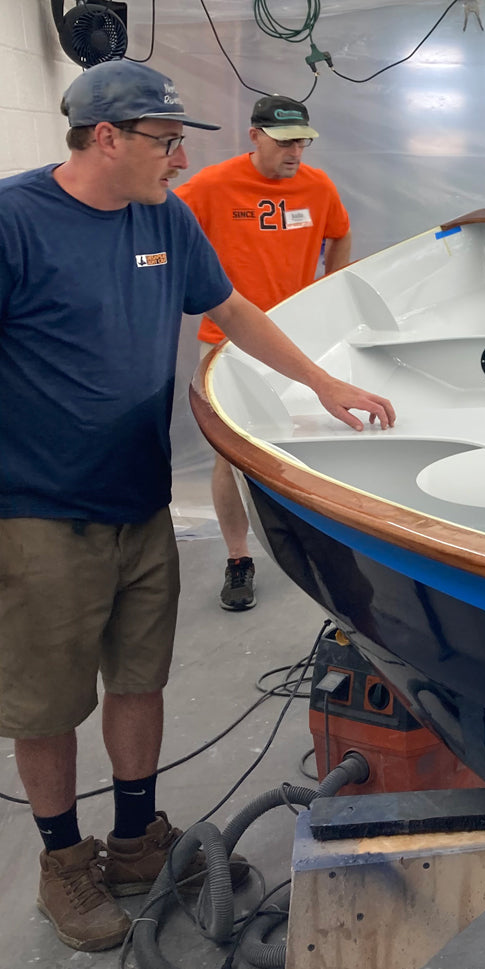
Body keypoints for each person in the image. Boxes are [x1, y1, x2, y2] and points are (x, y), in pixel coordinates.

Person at [0, 60, 396, 954]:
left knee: (140, 677)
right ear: (108, 138)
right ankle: (65, 862)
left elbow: (231, 309)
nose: (179, 158)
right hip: (35, 512)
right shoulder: (2, 221)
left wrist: (324, 383)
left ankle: (136, 841)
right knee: (48, 701)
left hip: (136, 502)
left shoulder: (162, 220)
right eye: (166, 141)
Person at [177, 94, 353, 612]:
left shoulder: (318, 187)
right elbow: (162, 229)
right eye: (283, 142)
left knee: (304, 440)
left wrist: (331, 292)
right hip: (225, 343)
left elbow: (339, 236)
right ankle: (238, 558)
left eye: (302, 141)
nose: (294, 151)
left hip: (296, 342)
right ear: (254, 137)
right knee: (230, 455)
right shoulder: (210, 186)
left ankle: (319, 551)